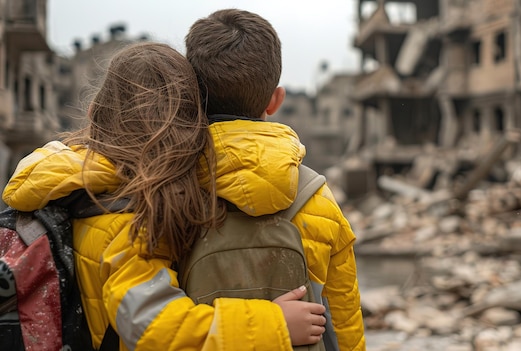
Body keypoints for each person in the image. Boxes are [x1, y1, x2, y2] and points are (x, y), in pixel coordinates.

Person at [3, 42, 324, 350]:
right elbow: (153, 324)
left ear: (93, 113)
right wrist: (274, 323)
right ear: (193, 127)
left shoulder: (63, 184)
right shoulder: (133, 219)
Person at [185, 9, 366, 350]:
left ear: (192, 98)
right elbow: (345, 329)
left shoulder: (163, 191)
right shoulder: (318, 199)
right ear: (276, 99)